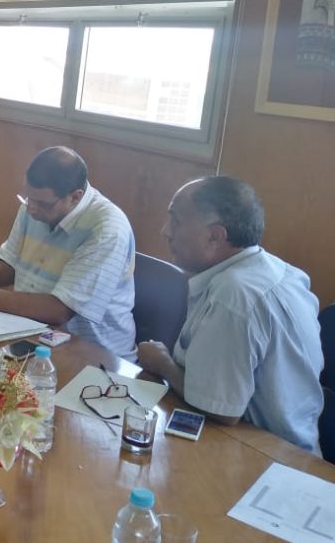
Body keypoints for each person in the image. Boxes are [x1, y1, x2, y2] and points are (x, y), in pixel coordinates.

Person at [137, 176, 323, 453]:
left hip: (265, 454)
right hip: (290, 444)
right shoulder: (274, 268)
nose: (166, 231)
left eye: (175, 220)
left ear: (215, 236)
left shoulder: (234, 296)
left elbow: (219, 409)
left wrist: (162, 363)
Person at [0, 146, 137, 360]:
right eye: (28, 198)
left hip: (94, 356)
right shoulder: (34, 206)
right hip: (31, 334)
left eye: (42, 204)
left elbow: (59, 310)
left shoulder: (106, 228)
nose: (31, 209)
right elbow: (11, 264)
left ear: (75, 197)